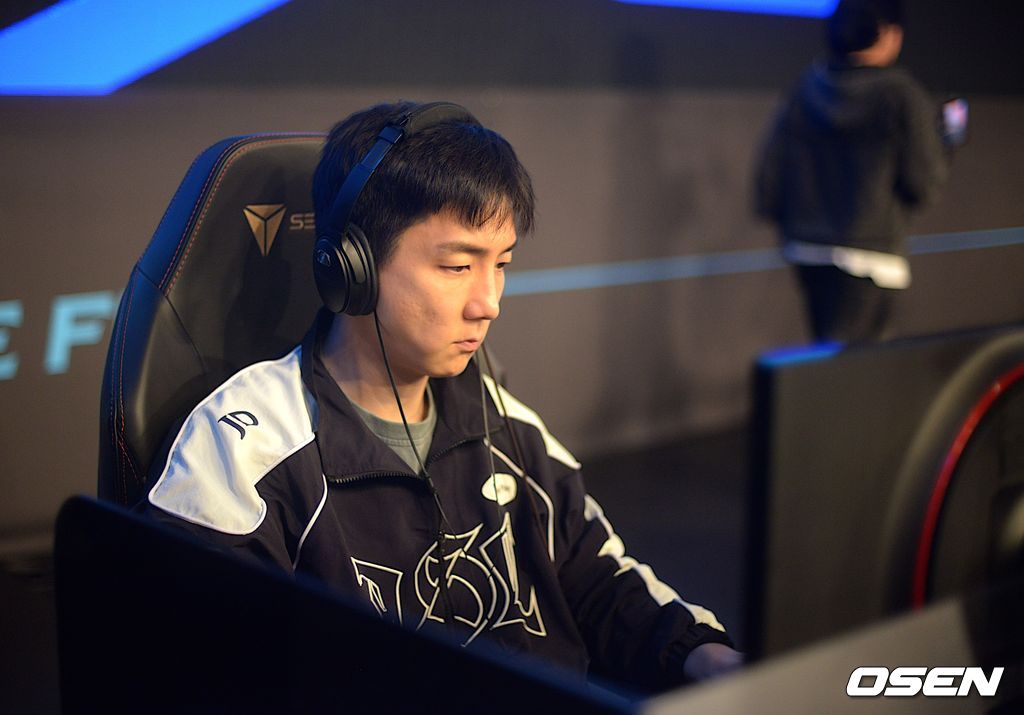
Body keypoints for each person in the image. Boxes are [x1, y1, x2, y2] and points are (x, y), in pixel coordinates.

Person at [141, 100, 742, 693]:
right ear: (352, 267)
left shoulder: (510, 427)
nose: (489, 303)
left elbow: (598, 579)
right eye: (458, 267)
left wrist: (707, 657)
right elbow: (202, 672)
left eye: (501, 264)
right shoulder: (241, 455)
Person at [755, 0, 949, 343]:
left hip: (807, 246)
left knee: (827, 353)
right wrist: (945, 148)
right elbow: (922, 183)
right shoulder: (900, 94)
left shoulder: (806, 87)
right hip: (870, 253)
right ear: (887, 34)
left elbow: (770, 174)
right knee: (858, 365)